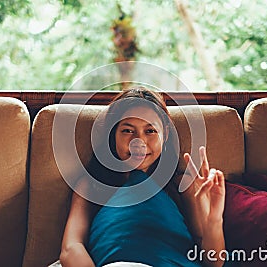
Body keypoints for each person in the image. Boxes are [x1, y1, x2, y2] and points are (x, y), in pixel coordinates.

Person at [59, 86, 226, 267]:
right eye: (128, 131)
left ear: (166, 134)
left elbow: (214, 262)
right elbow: (71, 247)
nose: (138, 142)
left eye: (150, 131)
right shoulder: (92, 185)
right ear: (112, 133)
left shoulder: (182, 185)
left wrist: (214, 219)